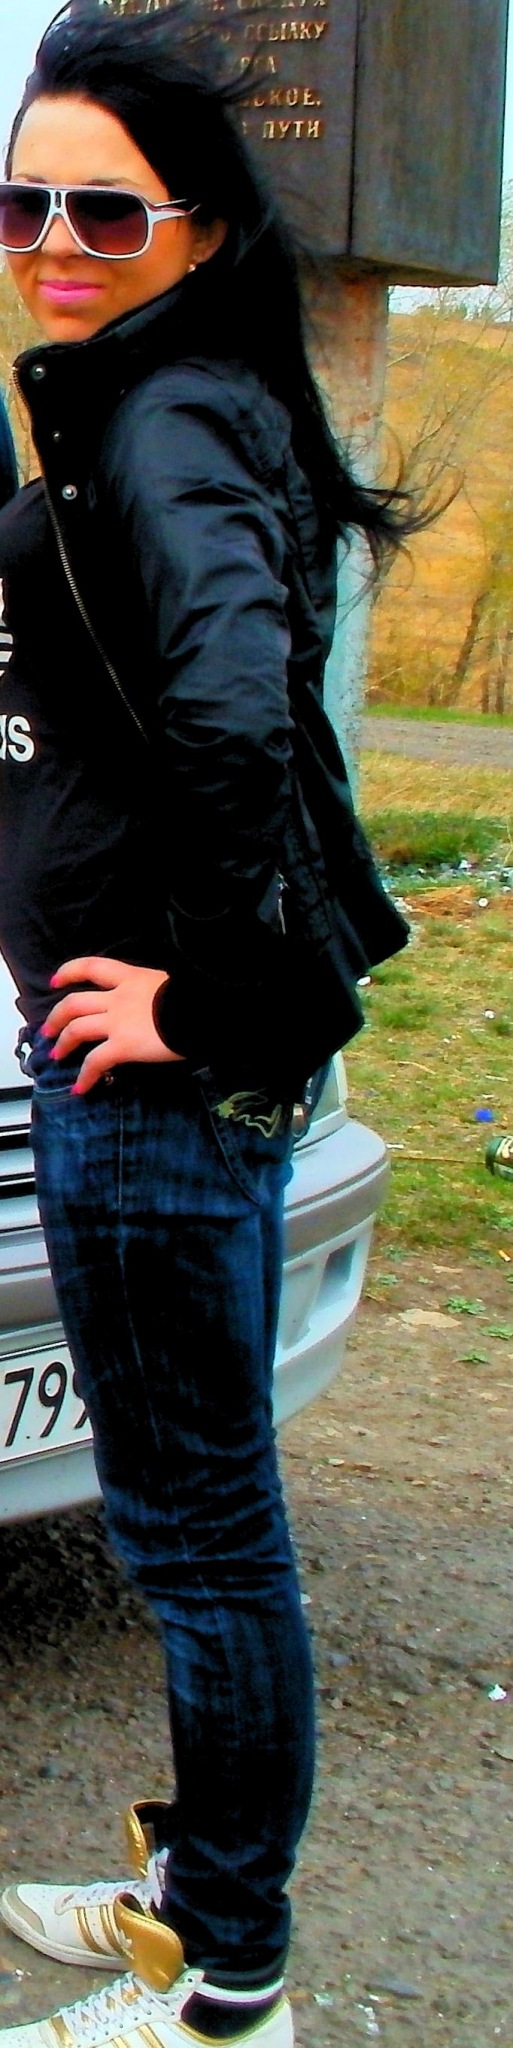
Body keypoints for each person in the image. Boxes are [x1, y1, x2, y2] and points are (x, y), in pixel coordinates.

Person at [0, 7, 411, 2045]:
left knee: (199, 1531)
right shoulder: (163, 398)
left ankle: (228, 1974)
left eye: (107, 211)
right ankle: (194, 1892)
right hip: (140, 1064)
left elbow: (242, 723)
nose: (56, 243)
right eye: (25, 203)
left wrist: (204, 1001)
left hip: (153, 1081)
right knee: (192, 1517)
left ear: (197, 230)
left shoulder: (165, 421)